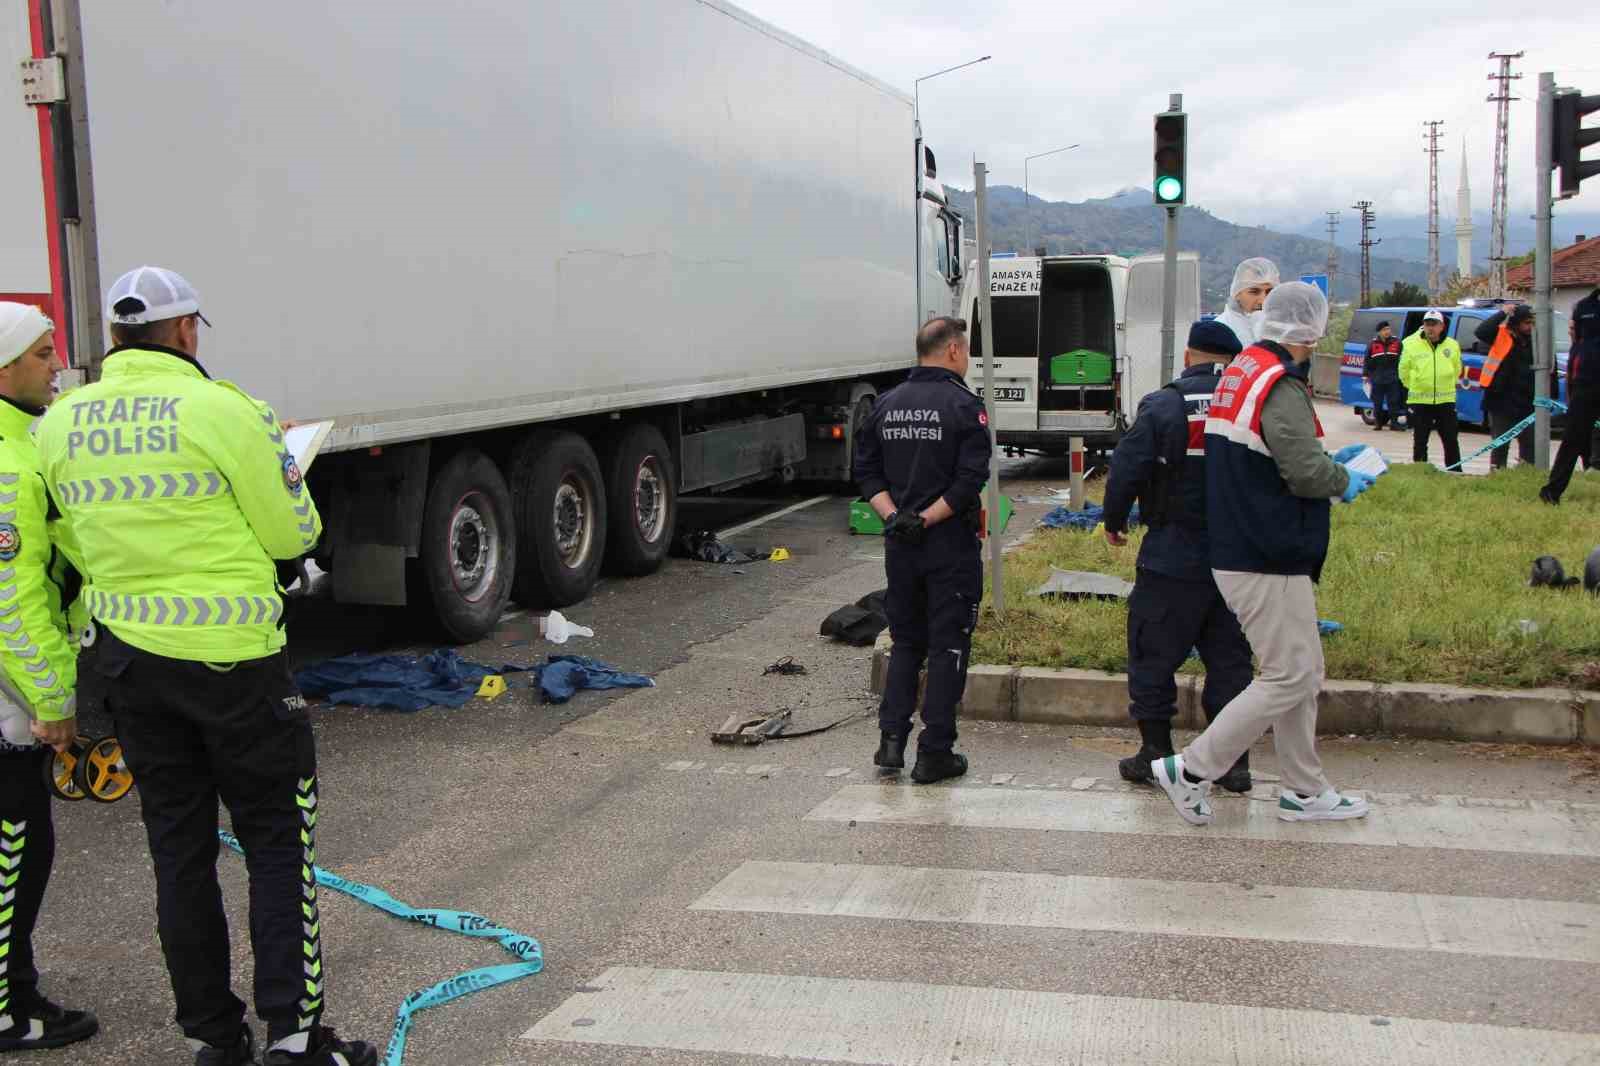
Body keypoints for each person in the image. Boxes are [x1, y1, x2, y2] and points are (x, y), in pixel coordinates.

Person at [35, 268, 376, 1066]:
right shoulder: (224, 409)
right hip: (236, 667)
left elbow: (74, 542)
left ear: (115, 337)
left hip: (131, 667)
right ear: (186, 330)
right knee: (277, 844)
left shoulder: (61, 422)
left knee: (178, 852)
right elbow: (293, 533)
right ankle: (295, 1038)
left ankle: (214, 1039)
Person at [1150, 282, 1373, 827]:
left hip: (1243, 543)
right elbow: (1304, 471)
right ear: (1312, 331)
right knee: (1288, 675)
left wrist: (1326, 463)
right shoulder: (1279, 381)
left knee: (1302, 671)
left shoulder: (1244, 369)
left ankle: (1304, 789)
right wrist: (1343, 478)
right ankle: (1191, 769)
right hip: (1266, 549)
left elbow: (1270, 452)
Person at [0, 305, 98, 1055]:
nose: (57, 364)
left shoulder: (23, 441)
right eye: (41, 353)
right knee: (17, 855)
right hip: (9, 700)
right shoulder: (7, 465)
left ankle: (18, 991)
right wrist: (51, 700)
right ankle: (8, 1010)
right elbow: (13, 602)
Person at [1102, 320, 1253, 793]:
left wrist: (1114, 519)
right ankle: (1233, 763)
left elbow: (1127, 466)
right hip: (1238, 558)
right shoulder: (1250, 403)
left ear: (1188, 357)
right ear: (1233, 361)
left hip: (1173, 554)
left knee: (1152, 654)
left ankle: (1155, 752)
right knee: (1230, 661)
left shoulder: (1165, 404)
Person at [853, 316, 991, 785]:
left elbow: (866, 471)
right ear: (953, 350)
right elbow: (969, 482)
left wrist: (894, 516)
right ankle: (935, 752)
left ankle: (890, 743)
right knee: (948, 644)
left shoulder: (887, 403)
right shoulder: (964, 406)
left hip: (901, 546)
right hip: (948, 545)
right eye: (966, 350)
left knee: (907, 641)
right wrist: (926, 519)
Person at [1542, 286, 1600, 504]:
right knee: (1572, 439)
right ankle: (1551, 492)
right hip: (1586, 383)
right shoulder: (1584, 306)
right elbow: (1576, 342)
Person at [1474, 303, 1539, 470]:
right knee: (1501, 442)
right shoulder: (1501, 335)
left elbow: (1549, 370)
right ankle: (1497, 472)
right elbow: (1481, 332)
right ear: (1516, 322)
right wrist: (1502, 313)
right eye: (1527, 323)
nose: (1530, 327)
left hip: (1527, 401)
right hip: (1501, 400)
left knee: (1530, 444)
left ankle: (1527, 473)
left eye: (1532, 323)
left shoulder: (1537, 341)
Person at [1399, 310, 1463, 469]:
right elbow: (1403, 371)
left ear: (1442, 326)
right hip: (1420, 400)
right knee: (1420, 439)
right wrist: (1416, 384)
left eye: (1434, 324)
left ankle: (1455, 471)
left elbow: (1457, 369)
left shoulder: (1452, 345)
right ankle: (1420, 470)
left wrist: (1446, 383)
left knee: (1450, 439)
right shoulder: (1409, 343)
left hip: (1445, 400)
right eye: (1427, 324)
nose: (1430, 328)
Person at [1214, 258, 1280, 352]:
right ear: (1237, 293)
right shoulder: (1220, 330)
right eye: (1254, 292)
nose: (1263, 300)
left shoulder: (1280, 328)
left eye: (1269, 292)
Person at [1362, 321, 1404, 430]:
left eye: (1388, 329)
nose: (1387, 332)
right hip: (1377, 378)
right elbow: (1367, 361)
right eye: (1384, 330)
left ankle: (1394, 424)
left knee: (1393, 402)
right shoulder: (1372, 344)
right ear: (1379, 332)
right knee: (1377, 402)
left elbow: (1403, 358)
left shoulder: (1397, 342)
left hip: (1392, 378)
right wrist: (1365, 375)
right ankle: (1378, 424)